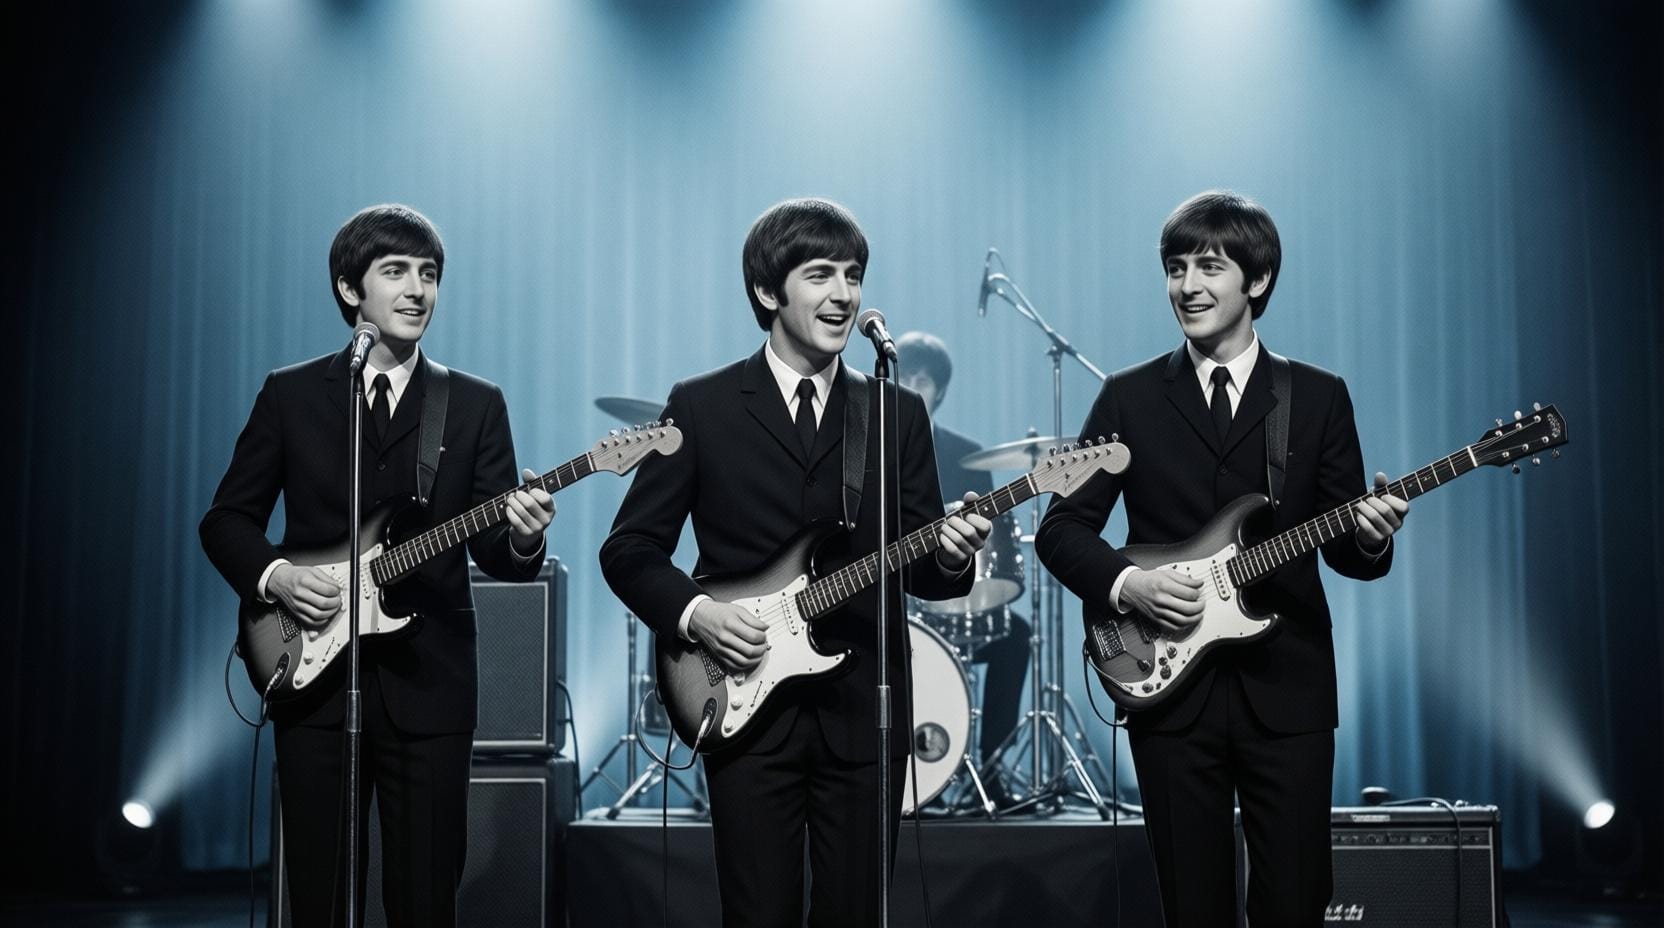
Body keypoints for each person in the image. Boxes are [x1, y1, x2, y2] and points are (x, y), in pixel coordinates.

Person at [599, 197, 992, 926]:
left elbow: (930, 571)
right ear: (767, 291)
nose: (843, 294)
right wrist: (699, 614)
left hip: (864, 713)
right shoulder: (703, 405)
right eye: (820, 274)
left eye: (853, 275)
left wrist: (956, 554)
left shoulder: (894, 413)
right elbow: (629, 549)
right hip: (744, 705)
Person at [1035, 191, 1409, 926]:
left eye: (1210, 266)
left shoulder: (1319, 397)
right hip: (1170, 692)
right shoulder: (1128, 397)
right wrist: (1129, 583)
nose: (1187, 286)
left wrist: (1370, 535)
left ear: (1258, 280)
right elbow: (1061, 530)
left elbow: (1348, 554)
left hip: (1289, 690)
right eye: (1175, 268)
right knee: (1192, 905)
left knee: (1297, 901)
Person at [199, 204, 555, 928]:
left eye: (429, 274)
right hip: (314, 682)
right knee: (320, 896)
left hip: (432, 689)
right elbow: (226, 522)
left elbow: (497, 553)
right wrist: (278, 578)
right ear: (349, 288)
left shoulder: (474, 404)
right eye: (395, 272)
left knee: (425, 899)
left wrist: (521, 538)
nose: (417, 289)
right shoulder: (292, 394)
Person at [894, 330, 1032, 807]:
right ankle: (905, 776)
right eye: (905, 377)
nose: (914, 387)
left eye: (923, 380)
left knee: (1016, 637)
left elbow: (990, 532)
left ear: (940, 391)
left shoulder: (966, 454)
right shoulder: (870, 448)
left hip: (952, 594)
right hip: (891, 601)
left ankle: (991, 770)